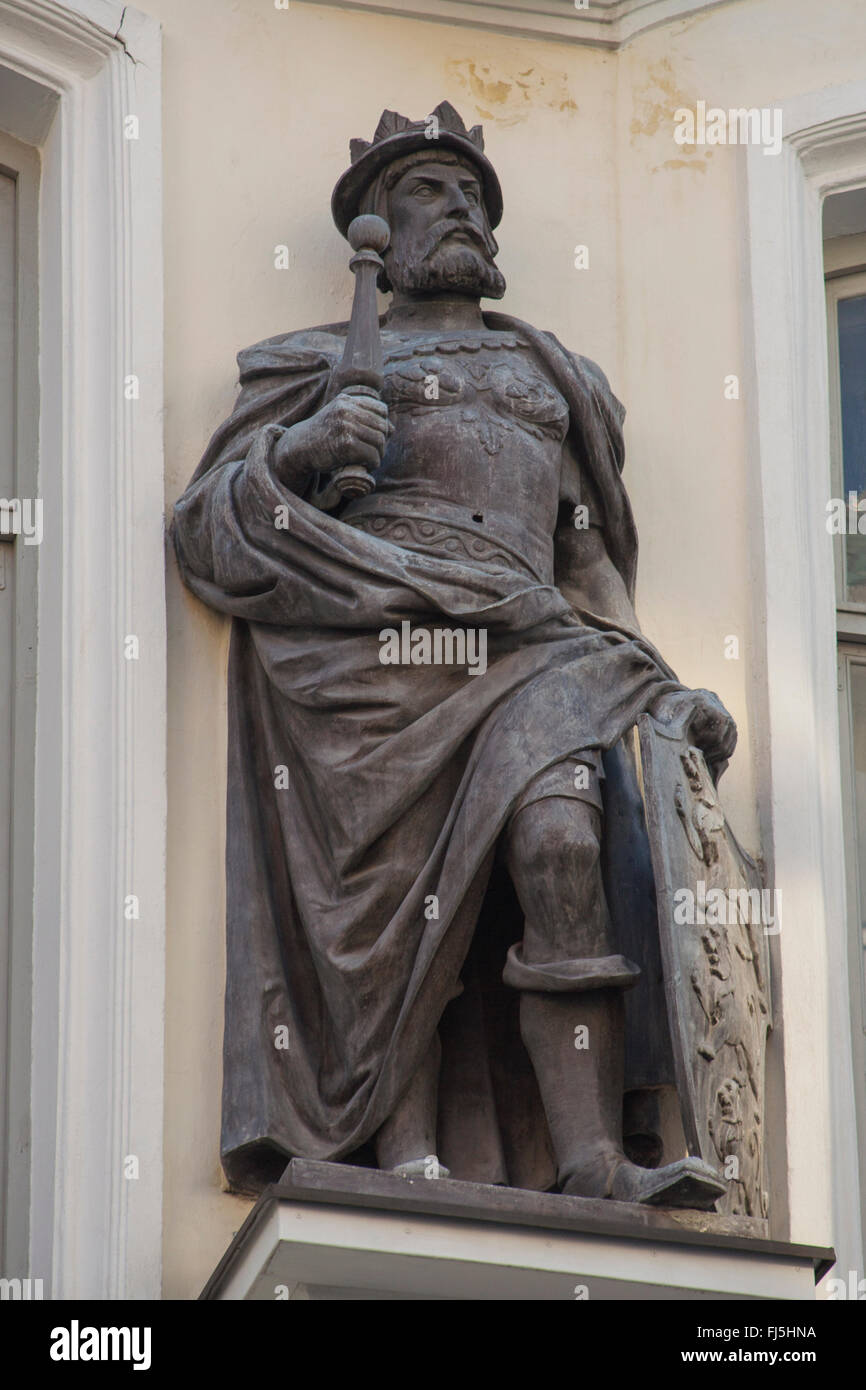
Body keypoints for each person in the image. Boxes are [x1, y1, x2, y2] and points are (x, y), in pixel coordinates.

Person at [173, 103, 735, 1206]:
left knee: (563, 848)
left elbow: (583, 559)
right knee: (397, 906)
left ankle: (585, 1159)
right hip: (377, 656)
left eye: (471, 190)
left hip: (532, 646)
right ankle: (403, 1153)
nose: (462, 206)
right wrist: (299, 448)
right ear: (376, 228)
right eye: (430, 190)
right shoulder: (314, 367)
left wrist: (652, 679)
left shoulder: (550, 374)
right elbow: (209, 525)